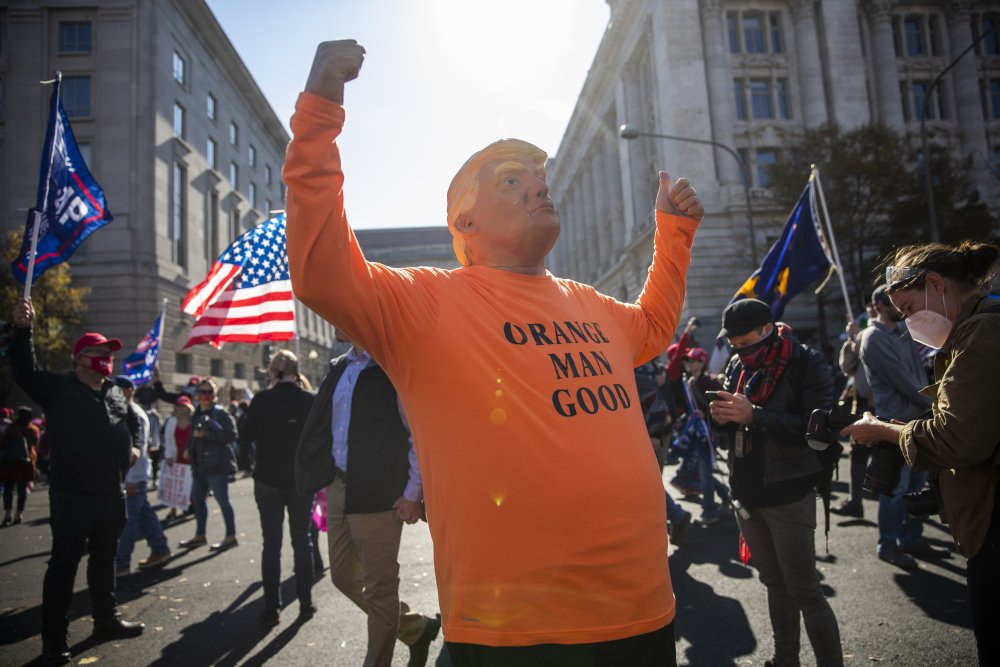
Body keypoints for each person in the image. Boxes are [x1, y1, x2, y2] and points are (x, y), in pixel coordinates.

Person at [284, 40, 702, 664]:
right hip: (513, 630)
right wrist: (319, 112)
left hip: (642, 610)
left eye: (539, 178)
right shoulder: (423, 304)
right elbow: (319, 267)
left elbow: (654, 327)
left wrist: (674, 236)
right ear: (465, 225)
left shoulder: (587, 303)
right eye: (512, 181)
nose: (538, 188)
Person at [842, 241, 1000, 665]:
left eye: (909, 309)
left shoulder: (980, 332)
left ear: (936, 284)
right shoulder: (975, 327)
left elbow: (958, 440)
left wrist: (888, 432)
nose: (910, 323)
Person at [9, 298, 145, 666]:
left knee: (104, 560)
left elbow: (132, 424)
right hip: (73, 496)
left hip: (110, 493)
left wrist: (133, 448)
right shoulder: (57, 389)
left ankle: (106, 619)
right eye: (99, 352)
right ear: (80, 357)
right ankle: (54, 640)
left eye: (109, 353)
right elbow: (24, 370)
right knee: (64, 566)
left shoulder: (114, 390)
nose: (107, 358)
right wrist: (24, 330)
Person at [709, 298, 843, 667]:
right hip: (747, 491)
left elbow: (817, 431)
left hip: (789, 489)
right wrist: (720, 418)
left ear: (766, 330)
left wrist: (756, 415)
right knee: (773, 583)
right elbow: (733, 428)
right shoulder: (738, 364)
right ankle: (786, 660)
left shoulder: (804, 363)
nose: (738, 349)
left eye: (744, 340)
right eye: (732, 343)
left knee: (805, 590)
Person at [296, 331, 439, 667]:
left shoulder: (391, 368)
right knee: (343, 576)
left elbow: (416, 433)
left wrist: (411, 494)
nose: (334, 316)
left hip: (380, 494)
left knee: (379, 590)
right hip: (339, 486)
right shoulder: (340, 367)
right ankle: (417, 629)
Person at [858, 285, 948, 569]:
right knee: (895, 487)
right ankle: (888, 544)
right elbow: (903, 380)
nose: (902, 308)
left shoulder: (903, 331)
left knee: (917, 484)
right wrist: (936, 402)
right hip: (892, 421)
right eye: (895, 304)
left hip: (918, 416)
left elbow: (919, 372)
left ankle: (912, 538)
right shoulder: (873, 337)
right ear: (881, 305)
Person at [238, 350, 318, 627]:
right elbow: (321, 439)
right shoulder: (309, 400)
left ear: (272, 372)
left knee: (271, 543)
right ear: (297, 372)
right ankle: (306, 602)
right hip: (300, 479)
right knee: (302, 540)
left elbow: (245, 436)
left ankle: (272, 607)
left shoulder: (262, 400)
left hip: (269, 478)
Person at [113, 376, 172, 576]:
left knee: (129, 520)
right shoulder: (123, 411)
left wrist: (130, 479)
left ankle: (121, 563)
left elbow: (137, 449)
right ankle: (160, 548)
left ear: (130, 391)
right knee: (143, 513)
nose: (114, 393)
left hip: (133, 475)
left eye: (119, 389)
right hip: (133, 475)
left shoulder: (134, 414)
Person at [178, 378, 239, 552]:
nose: (206, 395)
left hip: (217, 464)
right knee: (198, 500)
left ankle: (230, 536)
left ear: (215, 394)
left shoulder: (220, 413)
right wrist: (189, 449)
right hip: (199, 464)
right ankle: (200, 535)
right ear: (197, 394)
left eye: (209, 392)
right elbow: (193, 436)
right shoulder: (196, 412)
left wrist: (207, 435)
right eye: (203, 392)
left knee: (223, 501)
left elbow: (231, 436)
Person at [832, 314, 873, 518]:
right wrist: (852, 344)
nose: (873, 312)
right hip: (863, 405)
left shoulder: (887, 335)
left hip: (886, 406)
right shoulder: (861, 339)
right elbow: (847, 368)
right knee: (858, 453)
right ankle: (855, 501)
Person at [682, 347, 729, 525]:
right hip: (696, 433)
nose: (689, 363)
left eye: (693, 360)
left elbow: (722, 406)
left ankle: (709, 510)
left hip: (709, 433)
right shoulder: (690, 382)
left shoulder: (710, 382)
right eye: (688, 361)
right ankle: (724, 494)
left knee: (704, 472)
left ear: (702, 362)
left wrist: (706, 414)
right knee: (703, 471)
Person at [0, 406, 39, 526]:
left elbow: (2, 443)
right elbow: (35, 443)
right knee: (22, 488)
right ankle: (19, 513)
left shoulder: (11, 428)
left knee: (8, 487)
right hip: (26, 462)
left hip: (9, 461)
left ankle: (8, 513)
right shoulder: (32, 429)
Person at [161, 396, 194, 522]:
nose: (181, 409)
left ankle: (191, 505)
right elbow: (168, 440)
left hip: (189, 457)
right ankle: (173, 509)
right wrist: (168, 455)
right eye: (179, 406)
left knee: (190, 484)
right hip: (177, 457)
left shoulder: (193, 421)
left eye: (183, 406)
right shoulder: (171, 421)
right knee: (175, 485)